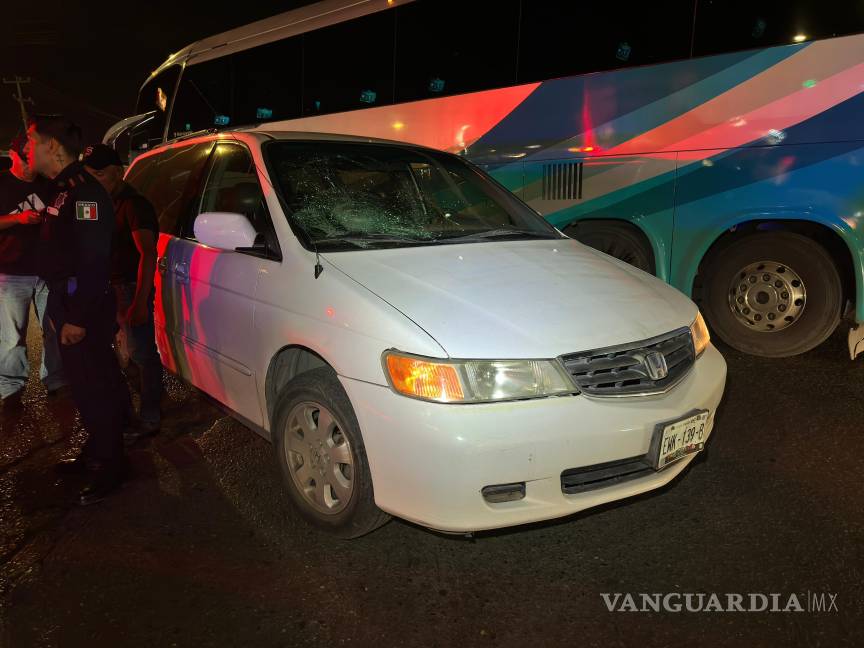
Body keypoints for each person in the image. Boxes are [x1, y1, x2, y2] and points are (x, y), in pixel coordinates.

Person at [25, 115, 131, 504]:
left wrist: (77, 318)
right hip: (65, 300)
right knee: (86, 386)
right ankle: (100, 450)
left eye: (31, 142)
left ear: (52, 147)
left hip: (80, 304)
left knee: (93, 386)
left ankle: (112, 464)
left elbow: (93, 262)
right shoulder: (61, 189)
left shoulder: (84, 193)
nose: (25, 150)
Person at [83, 144, 162, 441]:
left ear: (117, 172)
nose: (94, 179)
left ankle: (151, 416)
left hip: (128, 288)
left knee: (142, 354)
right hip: (107, 287)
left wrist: (140, 300)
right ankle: (135, 411)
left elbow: (148, 254)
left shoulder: (133, 204)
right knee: (121, 356)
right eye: (89, 173)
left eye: (100, 174)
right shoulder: (98, 201)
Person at [0, 133, 67, 409]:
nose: (31, 162)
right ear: (12, 155)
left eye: (33, 156)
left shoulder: (48, 184)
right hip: (11, 270)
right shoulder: (2, 183)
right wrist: (18, 218)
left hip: (46, 271)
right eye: (25, 157)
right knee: (12, 335)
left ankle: (56, 380)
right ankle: (11, 388)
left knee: (53, 328)